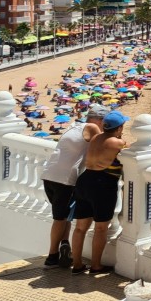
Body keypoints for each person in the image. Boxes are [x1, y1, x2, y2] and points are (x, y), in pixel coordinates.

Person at [40, 105, 107, 268]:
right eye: (105, 122)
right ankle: (52, 256)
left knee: (65, 216)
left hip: (49, 175)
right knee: (59, 219)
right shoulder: (92, 128)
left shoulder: (74, 125)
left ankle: (65, 244)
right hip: (64, 179)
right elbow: (103, 145)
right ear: (99, 120)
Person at [70, 110, 129, 274]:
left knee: (80, 227)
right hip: (102, 184)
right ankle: (96, 265)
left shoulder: (96, 138)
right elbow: (132, 151)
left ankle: (77, 264)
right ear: (119, 128)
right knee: (101, 228)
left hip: (85, 180)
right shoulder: (118, 143)